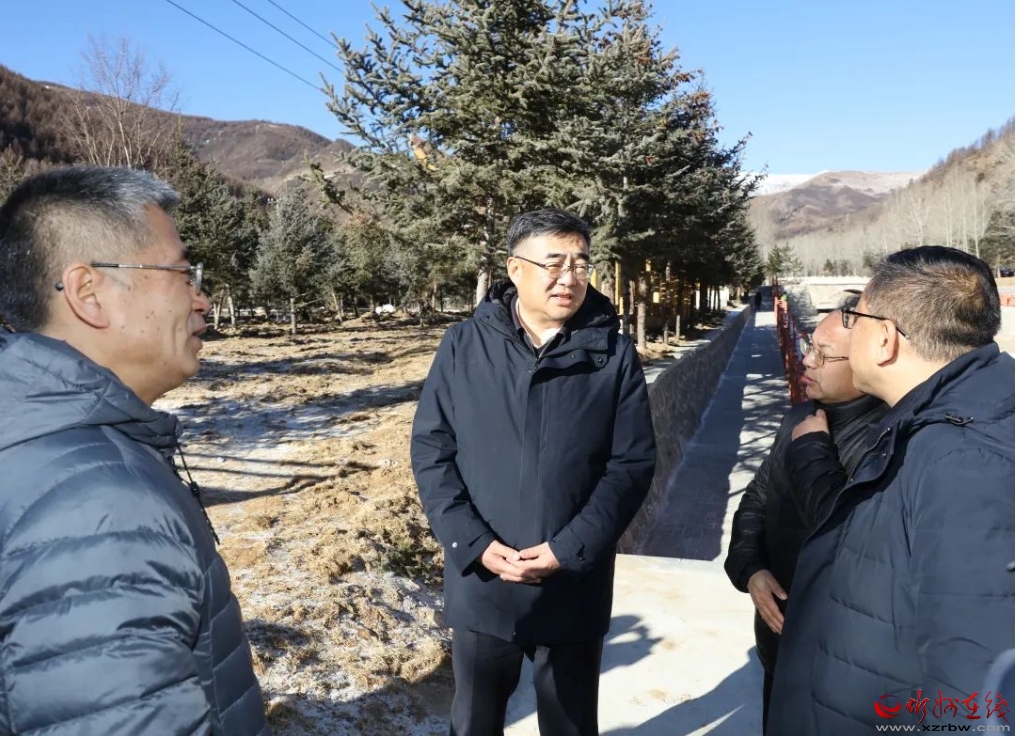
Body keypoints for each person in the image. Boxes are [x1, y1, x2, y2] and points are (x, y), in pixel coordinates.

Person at [0, 167, 268, 735]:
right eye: (183, 273)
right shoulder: (97, 505)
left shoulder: (35, 439)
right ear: (88, 293)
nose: (202, 299)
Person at [411, 208, 656, 736]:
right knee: (474, 722)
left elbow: (631, 464)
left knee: (570, 725)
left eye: (580, 264)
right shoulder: (463, 345)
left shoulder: (612, 354)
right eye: (554, 263)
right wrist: (472, 542)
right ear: (515, 268)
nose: (569, 278)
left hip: (572, 582)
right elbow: (432, 450)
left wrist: (570, 549)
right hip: (484, 580)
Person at [768, 246, 1015, 734]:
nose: (849, 328)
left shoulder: (964, 461)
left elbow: (977, 690)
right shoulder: (932, 425)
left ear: (884, 339)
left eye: (854, 318)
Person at [724, 296, 887, 733]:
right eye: (808, 346)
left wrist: (814, 450)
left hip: (837, 664)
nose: (806, 360)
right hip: (779, 645)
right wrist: (750, 568)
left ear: (866, 360)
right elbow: (757, 499)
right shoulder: (800, 417)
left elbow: (851, 541)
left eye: (822, 354)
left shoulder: (886, 443)